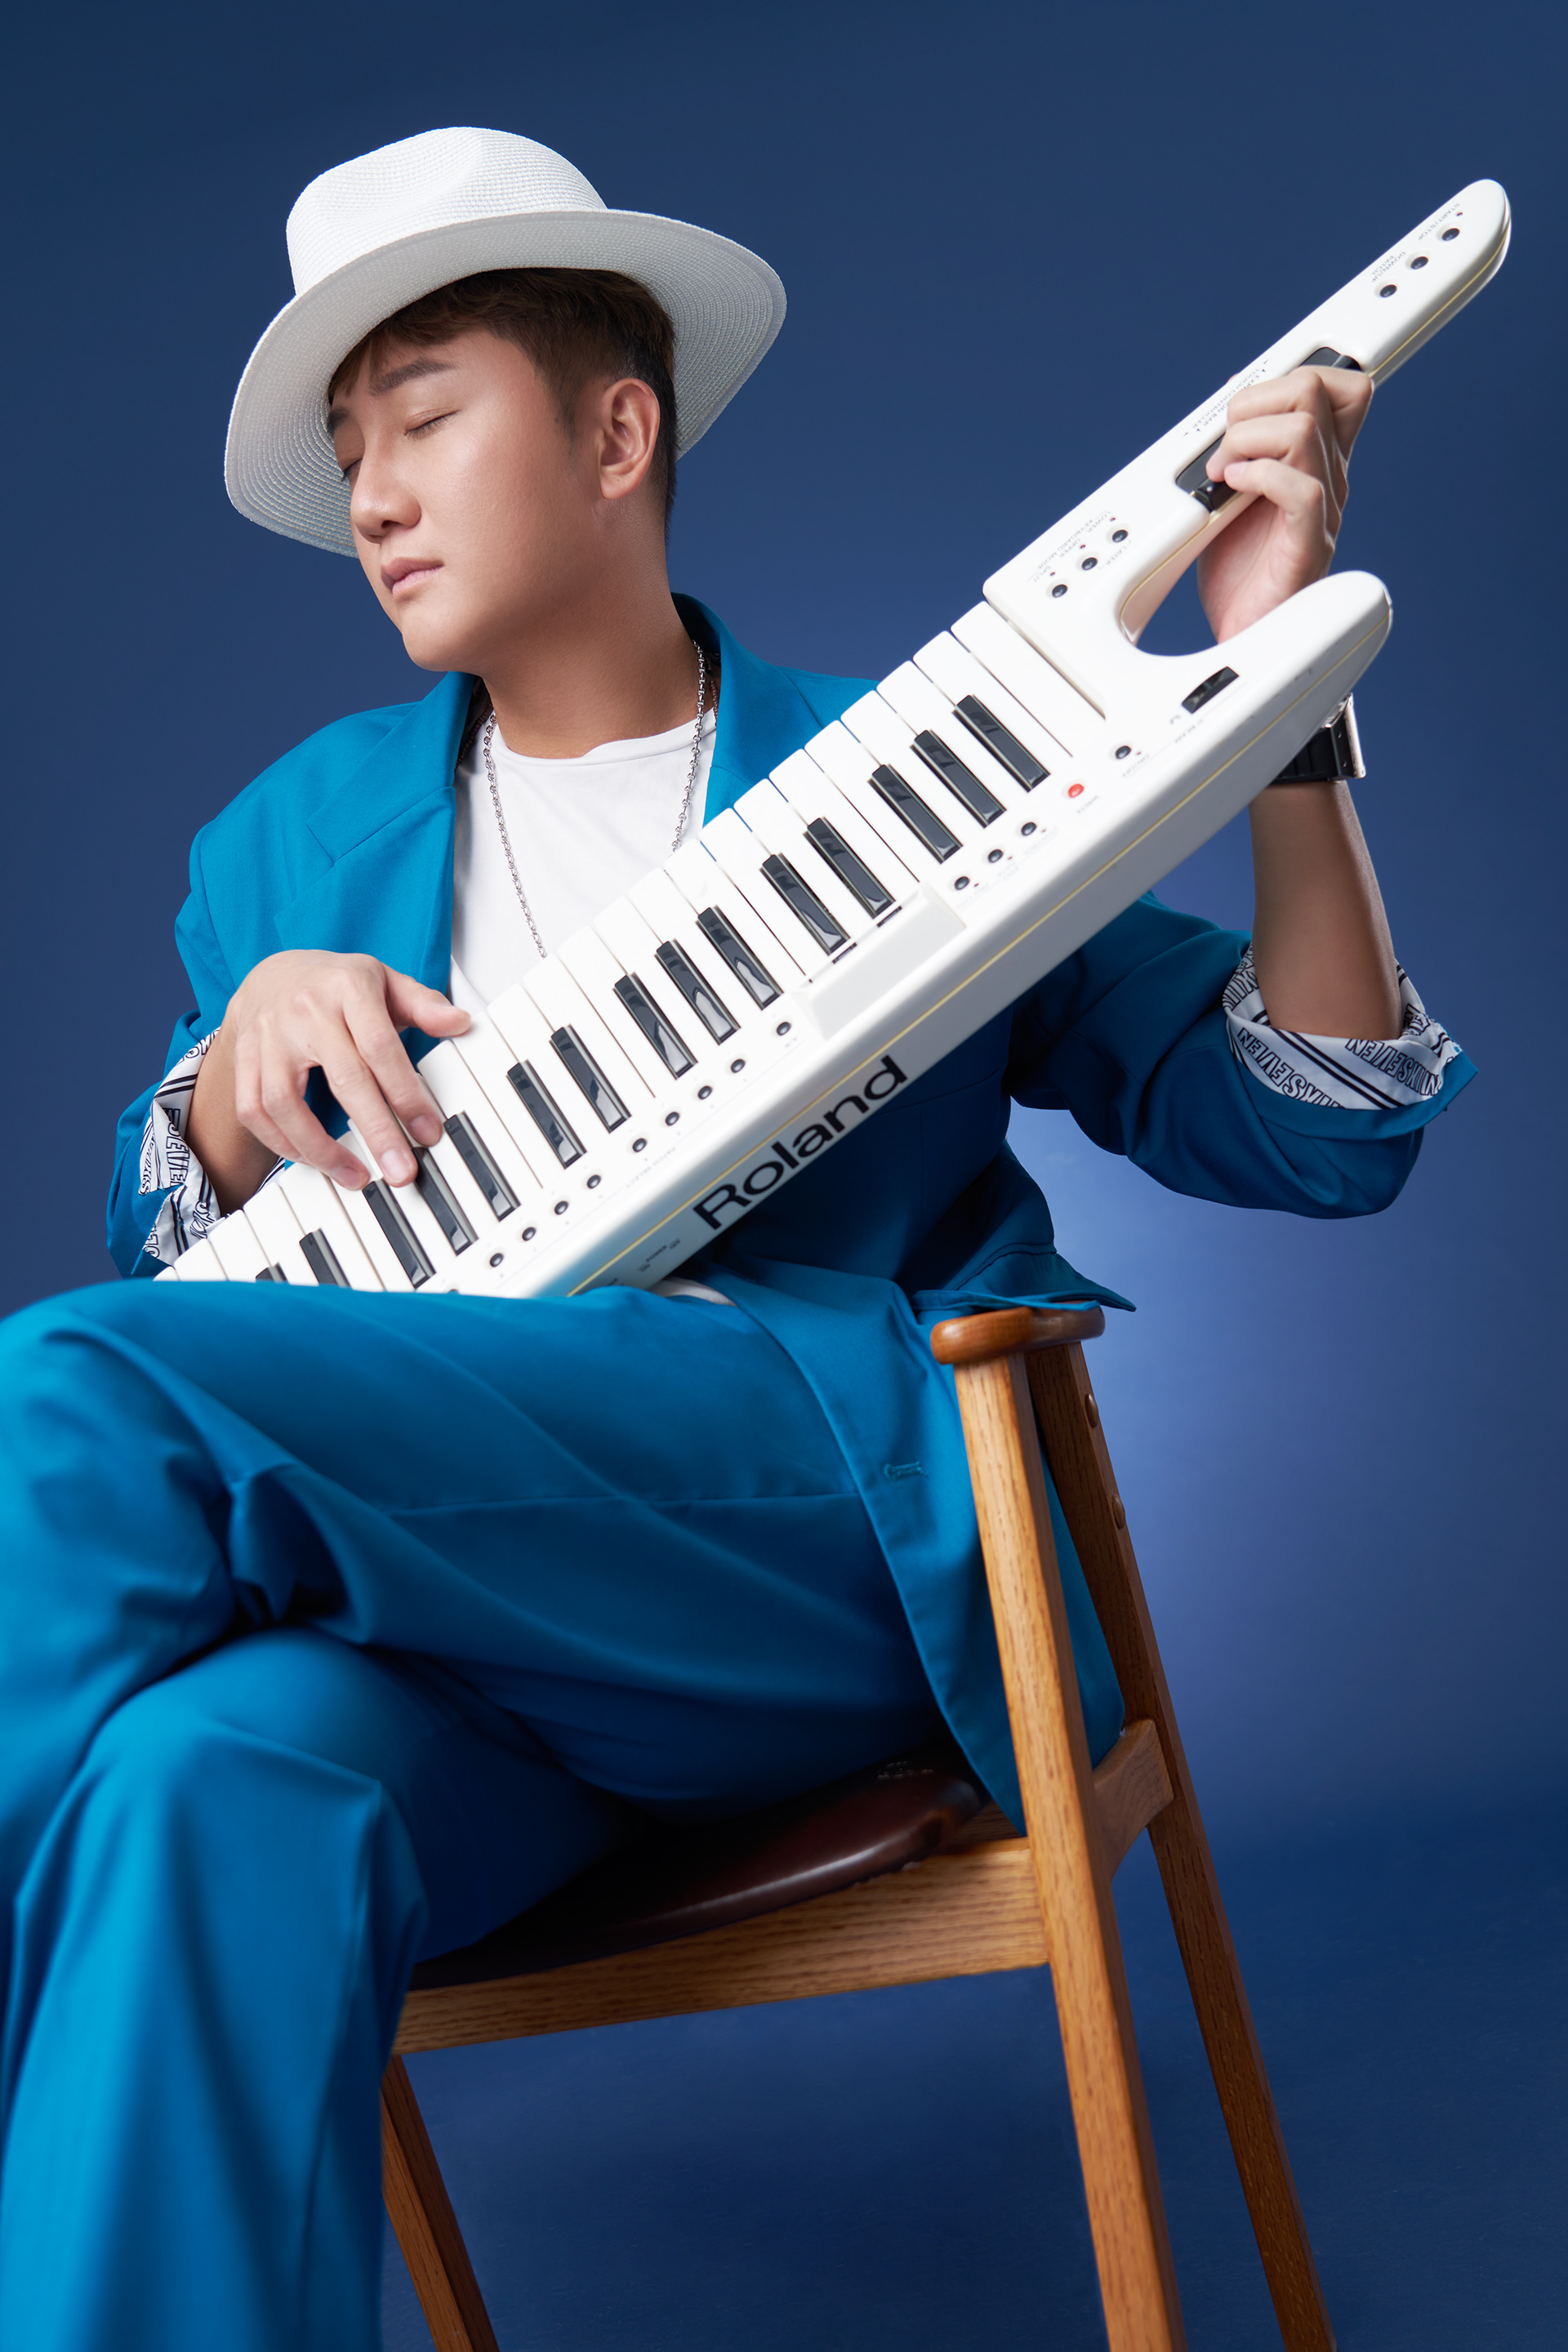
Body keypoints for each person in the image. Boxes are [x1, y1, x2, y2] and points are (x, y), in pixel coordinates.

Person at [0, 126, 1470, 2351]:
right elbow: (207, 1269)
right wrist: (222, 1081)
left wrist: (1281, 708)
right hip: (455, 1645)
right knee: (196, 1789)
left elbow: (1320, 1127)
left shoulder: (919, 772)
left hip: (812, 1558)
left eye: (423, 419)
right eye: (349, 452)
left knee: (74, 1389)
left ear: (618, 434)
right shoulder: (278, 848)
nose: (372, 497)